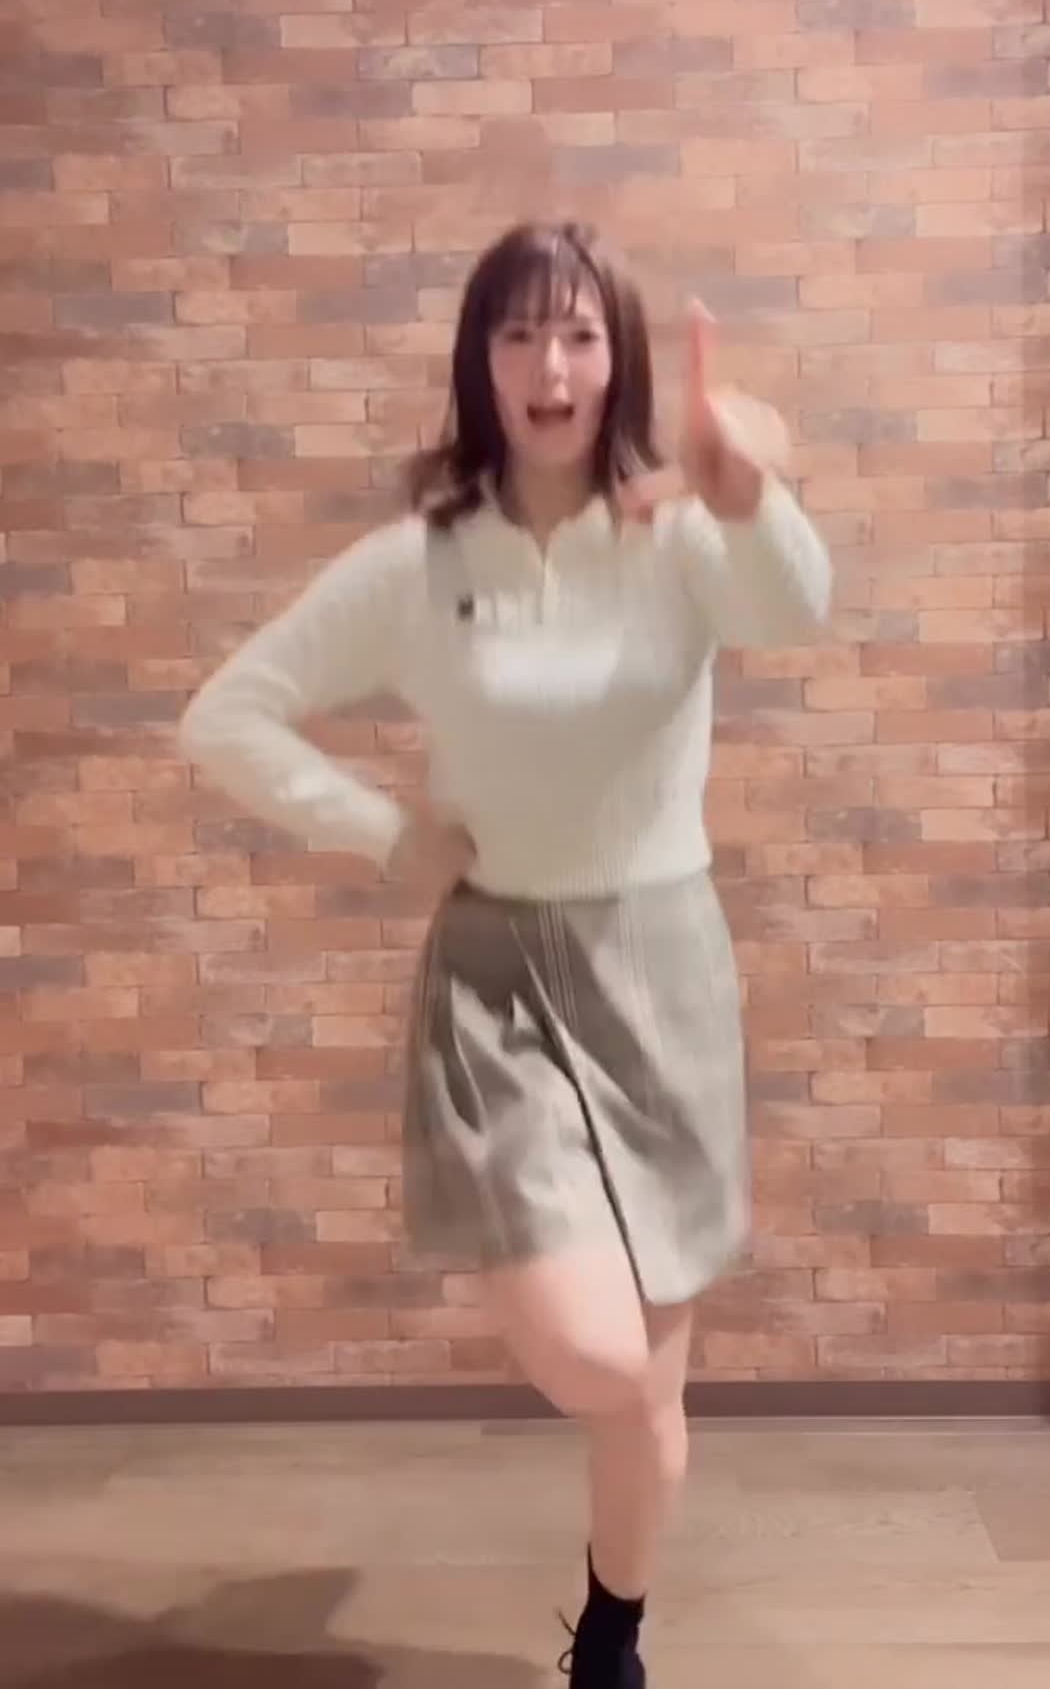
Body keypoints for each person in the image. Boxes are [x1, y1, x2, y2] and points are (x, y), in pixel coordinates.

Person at [178, 220, 831, 1688]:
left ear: (622, 360)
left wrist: (752, 489)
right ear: (479, 362)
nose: (553, 365)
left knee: (649, 1402)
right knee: (600, 1362)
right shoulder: (420, 564)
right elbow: (226, 714)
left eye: (581, 332)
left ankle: (613, 1636)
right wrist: (384, 835)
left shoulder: (681, 540)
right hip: (499, 990)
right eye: (521, 333)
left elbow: (798, 607)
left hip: (666, 969)